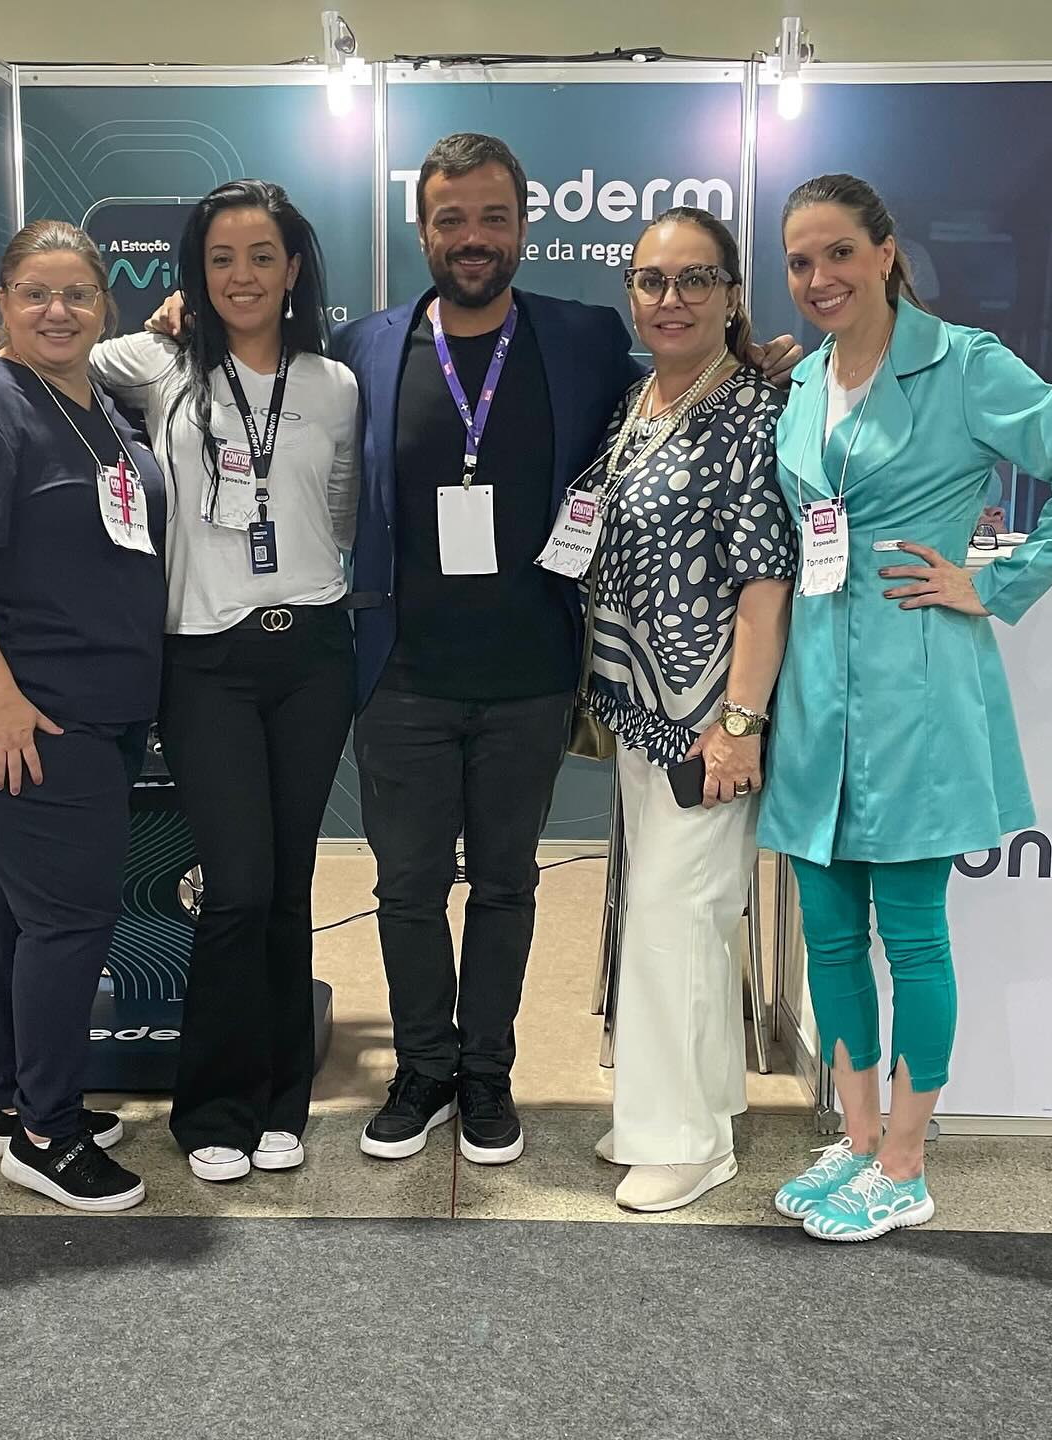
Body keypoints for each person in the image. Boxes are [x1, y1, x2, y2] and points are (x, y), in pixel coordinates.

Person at [328, 133, 800, 1167]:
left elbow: (687, 380)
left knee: (508, 885)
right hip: (401, 677)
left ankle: (486, 1075)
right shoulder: (365, 346)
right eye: (452, 218)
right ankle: (423, 1070)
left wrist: (762, 361)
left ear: (524, 227)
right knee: (406, 889)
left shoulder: (582, 338)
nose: (473, 237)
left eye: (493, 217)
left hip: (532, 677)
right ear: (422, 229)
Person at [0, 182, 359, 1185]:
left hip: (310, 653)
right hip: (202, 657)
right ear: (193, 273)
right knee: (237, 887)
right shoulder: (154, 364)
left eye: (261, 256)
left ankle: (280, 1101)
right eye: (220, 258)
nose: (241, 276)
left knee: (288, 887)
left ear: (294, 268)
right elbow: (43, 353)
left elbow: (338, 510)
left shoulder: (334, 383)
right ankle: (214, 1108)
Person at [760, 174, 1052, 1242]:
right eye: (800, 261)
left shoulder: (965, 364)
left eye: (839, 252)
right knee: (831, 937)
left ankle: (906, 1162)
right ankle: (856, 1138)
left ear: (885, 253)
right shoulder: (804, 383)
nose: (820, 277)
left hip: (917, 692)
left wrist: (997, 581)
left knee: (914, 936)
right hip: (814, 694)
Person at [0, 219, 167, 1213]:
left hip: (85, 696)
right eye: (36, 294)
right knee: (71, 914)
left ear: (105, 305)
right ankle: (49, 1134)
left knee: (22, 900)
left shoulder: (98, 403)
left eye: (77, 294)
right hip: (15, 701)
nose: (58, 310)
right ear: (3, 302)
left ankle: (9, 1102)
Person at [585, 210, 795, 1212]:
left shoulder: (751, 410)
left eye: (694, 280)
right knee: (680, 914)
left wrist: (740, 725)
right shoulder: (642, 400)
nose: (671, 299)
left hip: (710, 717)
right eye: (652, 280)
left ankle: (686, 1144)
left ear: (732, 295)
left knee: (679, 915)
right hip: (645, 712)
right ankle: (690, 1108)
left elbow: (766, 581)